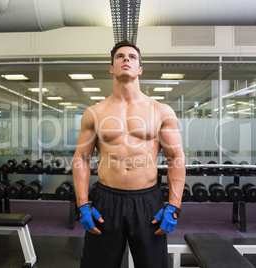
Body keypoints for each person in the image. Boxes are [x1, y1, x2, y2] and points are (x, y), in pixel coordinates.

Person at [72, 40, 186, 268]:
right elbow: (80, 159)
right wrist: (82, 204)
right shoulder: (94, 112)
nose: (126, 59)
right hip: (106, 200)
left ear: (140, 69)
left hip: (147, 201)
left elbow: (177, 159)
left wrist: (173, 206)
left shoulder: (161, 111)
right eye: (120, 56)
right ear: (111, 68)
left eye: (132, 57)